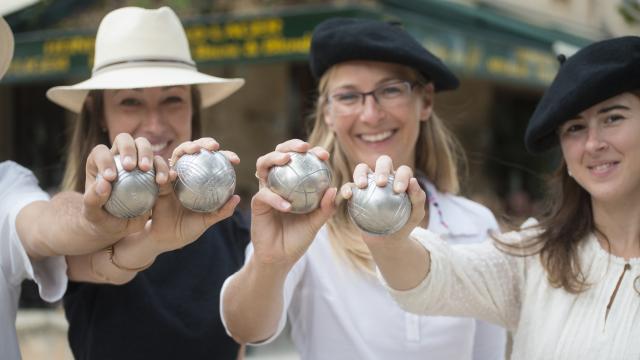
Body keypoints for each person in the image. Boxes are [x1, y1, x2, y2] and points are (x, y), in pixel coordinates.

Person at [221, 18, 506, 359]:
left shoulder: (475, 224)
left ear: (426, 101)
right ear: (327, 111)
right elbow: (246, 329)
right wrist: (269, 261)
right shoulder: (305, 223)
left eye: (390, 90)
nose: (371, 115)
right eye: (348, 96)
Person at [350, 36, 640, 359]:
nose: (592, 144)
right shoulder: (538, 258)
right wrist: (389, 239)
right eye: (574, 128)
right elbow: (440, 280)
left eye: (613, 117)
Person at [45, 7, 249, 359]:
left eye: (173, 99)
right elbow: (101, 264)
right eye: (130, 101)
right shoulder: (77, 216)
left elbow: (239, 345)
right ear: (100, 114)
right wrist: (153, 238)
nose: (154, 124)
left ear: (193, 108)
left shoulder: (228, 221)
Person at [0, 3, 150, 359]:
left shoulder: (5, 184)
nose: (153, 121)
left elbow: (45, 221)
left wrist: (92, 217)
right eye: (131, 101)